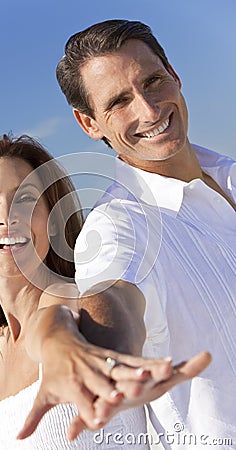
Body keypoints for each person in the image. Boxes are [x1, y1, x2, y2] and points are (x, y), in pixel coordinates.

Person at [0, 134, 209, 449]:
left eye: (27, 199)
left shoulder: (70, 299)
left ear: (55, 221)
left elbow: (95, 305)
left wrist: (71, 344)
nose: (7, 217)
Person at [53, 19, 235, 448]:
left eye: (152, 81)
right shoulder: (117, 226)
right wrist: (103, 353)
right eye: (118, 101)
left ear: (174, 74)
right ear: (89, 123)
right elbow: (114, 294)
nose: (149, 111)